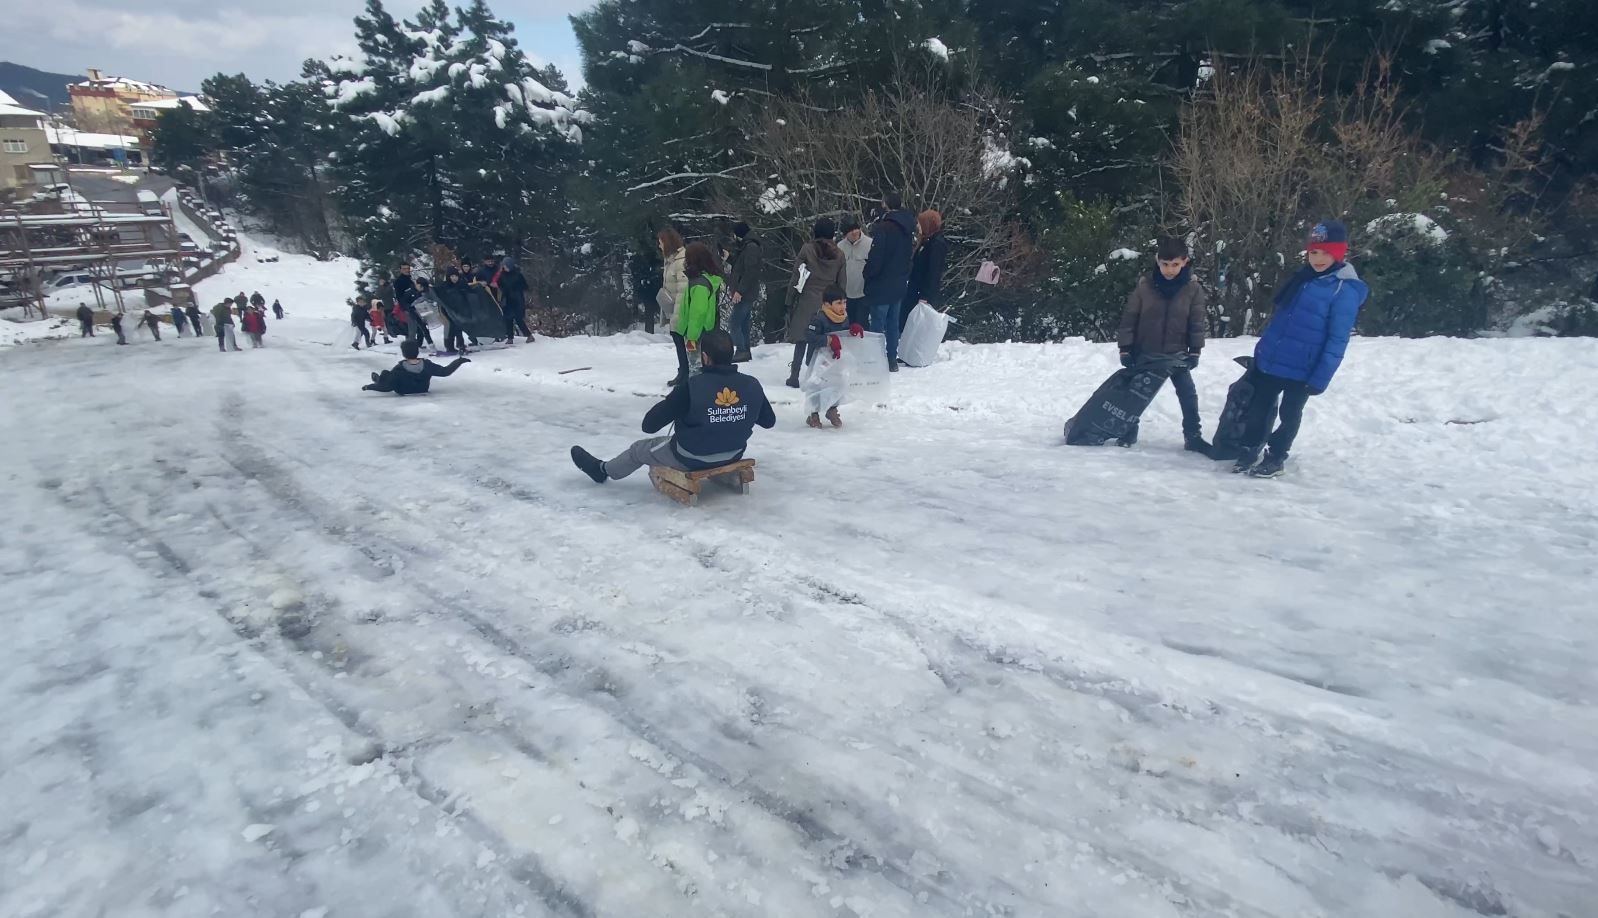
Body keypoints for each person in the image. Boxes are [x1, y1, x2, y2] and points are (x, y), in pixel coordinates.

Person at [1233, 221, 1370, 478]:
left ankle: (1276, 456)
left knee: (1289, 413)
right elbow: (1281, 323)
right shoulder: (1303, 279)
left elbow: (1337, 339)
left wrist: (1321, 377)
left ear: (1339, 253)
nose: (1318, 259)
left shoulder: (1344, 290)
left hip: (1304, 368)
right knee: (1259, 408)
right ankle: (1250, 447)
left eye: (1326, 253)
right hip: (1273, 361)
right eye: (1313, 252)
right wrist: (1263, 351)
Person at [570, 330, 774, 485]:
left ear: (705, 357)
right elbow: (768, 421)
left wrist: (676, 403)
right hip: (734, 452)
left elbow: (649, 425)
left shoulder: (693, 387)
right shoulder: (752, 384)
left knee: (639, 449)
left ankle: (602, 470)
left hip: (691, 455)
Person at [1117, 236, 1209, 452]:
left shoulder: (1193, 289)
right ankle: (1128, 430)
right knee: (1135, 393)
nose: (1169, 270)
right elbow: (1130, 318)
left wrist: (1195, 350)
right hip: (1145, 351)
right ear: (1157, 261)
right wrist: (1125, 348)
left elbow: (1197, 321)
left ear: (1184, 262)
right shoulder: (1145, 286)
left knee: (1188, 394)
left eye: (1175, 264)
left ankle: (1193, 435)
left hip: (1177, 353)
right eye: (1165, 264)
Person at [784, 218, 848, 388]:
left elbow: (796, 277)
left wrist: (789, 300)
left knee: (802, 339)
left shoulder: (807, 249)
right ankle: (819, 376)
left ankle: (794, 376)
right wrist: (840, 303)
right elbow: (842, 282)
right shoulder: (840, 254)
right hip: (828, 303)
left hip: (807, 299)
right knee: (823, 340)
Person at [861, 191, 917, 372]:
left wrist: (868, 273)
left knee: (877, 324)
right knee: (893, 323)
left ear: (886, 204)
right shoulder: (908, 227)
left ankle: (875, 359)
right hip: (899, 281)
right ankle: (892, 358)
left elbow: (876, 257)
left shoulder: (884, 227)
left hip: (882, 282)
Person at [803, 286, 865, 429]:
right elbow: (810, 336)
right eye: (838, 303)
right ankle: (813, 414)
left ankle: (832, 409)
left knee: (837, 385)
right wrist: (828, 340)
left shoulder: (844, 317)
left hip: (836, 360)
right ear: (827, 304)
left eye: (845, 302)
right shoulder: (818, 318)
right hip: (818, 362)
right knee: (817, 387)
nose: (843, 306)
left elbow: (843, 334)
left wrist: (851, 331)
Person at [668, 242, 724, 387]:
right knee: (701, 367)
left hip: (697, 333)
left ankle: (696, 396)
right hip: (703, 330)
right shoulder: (705, 279)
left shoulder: (699, 284)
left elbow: (697, 313)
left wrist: (692, 337)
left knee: (696, 369)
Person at [901, 209, 950, 335]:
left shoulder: (936, 245)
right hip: (914, 287)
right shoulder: (926, 240)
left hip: (922, 292)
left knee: (915, 326)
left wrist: (925, 296)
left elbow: (934, 272)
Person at [363, 339, 469, 395]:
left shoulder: (399, 369)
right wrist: (459, 361)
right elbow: (445, 372)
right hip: (422, 389)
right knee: (388, 375)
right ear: (417, 352)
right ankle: (378, 379)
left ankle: (378, 380)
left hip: (404, 391)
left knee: (386, 374)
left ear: (404, 354)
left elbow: (387, 387)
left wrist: (369, 387)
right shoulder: (427, 365)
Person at [727, 221, 762, 362]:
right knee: (743, 323)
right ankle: (745, 350)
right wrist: (729, 258)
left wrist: (740, 291)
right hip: (746, 291)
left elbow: (750, 271)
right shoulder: (747, 246)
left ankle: (741, 350)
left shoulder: (751, 247)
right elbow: (741, 266)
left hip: (745, 292)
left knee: (734, 323)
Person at [838, 217, 873, 327]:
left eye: (856, 229)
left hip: (864, 293)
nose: (854, 232)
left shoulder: (870, 244)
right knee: (849, 324)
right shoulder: (840, 247)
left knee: (862, 324)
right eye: (850, 230)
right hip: (846, 294)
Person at [656, 228, 688, 334]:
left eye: (661, 243)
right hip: (673, 313)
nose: (659, 246)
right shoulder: (670, 261)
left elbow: (682, 293)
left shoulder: (681, 262)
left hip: (681, 318)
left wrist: (676, 319)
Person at [495, 257, 533, 344]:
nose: (504, 267)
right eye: (504, 265)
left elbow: (525, 286)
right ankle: (510, 338)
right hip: (507, 299)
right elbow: (499, 284)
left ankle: (529, 335)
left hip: (517, 299)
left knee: (518, 319)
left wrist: (516, 290)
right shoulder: (502, 275)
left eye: (506, 265)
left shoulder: (518, 274)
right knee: (508, 319)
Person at [404, 278, 437, 348]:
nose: (421, 288)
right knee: (413, 331)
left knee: (423, 329)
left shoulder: (424, 291)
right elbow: (404, 303)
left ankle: (420, 344)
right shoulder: (409, 292)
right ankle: (410, 346)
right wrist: (410, 308)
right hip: (412, 313)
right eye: (420, 286)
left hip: (423, 313)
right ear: (417, 284)